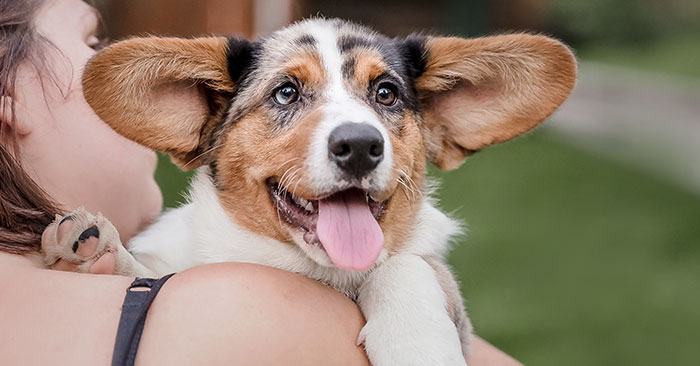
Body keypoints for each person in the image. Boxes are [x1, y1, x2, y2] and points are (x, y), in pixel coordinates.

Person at [0, 0, 522, 364]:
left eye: (385, 94)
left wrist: (411, 282)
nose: (358, 136)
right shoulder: (245, 315)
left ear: (429, 120)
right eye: (288, 93)